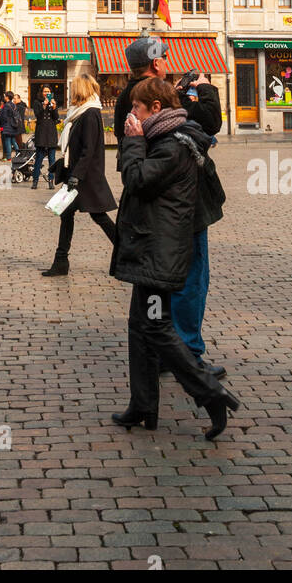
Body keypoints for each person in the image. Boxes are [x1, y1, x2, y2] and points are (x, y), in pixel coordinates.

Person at [111, 77, 238, 441]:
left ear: (155, 109)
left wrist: (133, 142)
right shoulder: (162, 139)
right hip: (149, 252)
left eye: (136, 107)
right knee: (140, 326)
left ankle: (211, 394)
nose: (130, 113)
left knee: (157, 327)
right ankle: (143, 404)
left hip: (158, 255)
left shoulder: (174, 145)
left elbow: (136, 179)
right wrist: (137, 141)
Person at [114, 36, 225, 376]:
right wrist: (205, 88)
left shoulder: (129, 97)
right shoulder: (156, 96)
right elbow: (210, 120)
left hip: (153, 211)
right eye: (164, 56)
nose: (168, 59)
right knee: (190, 281)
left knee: (157, 287)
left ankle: (162, 351)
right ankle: (187, 355)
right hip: (182, 208)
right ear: (157, 63)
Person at [40, 74, 116, 277]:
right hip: (77, 173)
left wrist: (76, 176)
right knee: (67, 215)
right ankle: (61, 261)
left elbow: (88, 148)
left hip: (85, 176)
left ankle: (127, 252)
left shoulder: (90, 113)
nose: (71, 92)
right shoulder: (79, 112)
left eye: (74, 88)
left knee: (99, 216)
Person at [31, 85, 59, 189]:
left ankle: (51, 181)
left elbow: (56, 117)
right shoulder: (37, 102)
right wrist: (44, 105)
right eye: (44, 91)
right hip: (41, 132)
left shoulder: (53, 102)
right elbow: (38, 115)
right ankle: (35, 181)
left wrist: (54, 108)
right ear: (41, 92)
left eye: (48, 91)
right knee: (39, 158)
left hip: (51, 132)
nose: (46, 93)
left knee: (52, 159)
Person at [0, 91, 21, 160]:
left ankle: (8, 157)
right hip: (13, 126)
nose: (4, 97)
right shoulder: (13, 105)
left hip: (7, 126)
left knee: (7, 141)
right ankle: (18, 154)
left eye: (5, 96)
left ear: (7, 97)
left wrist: (1, 125)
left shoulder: (6, 106)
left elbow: (3, 117)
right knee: (13, 141)